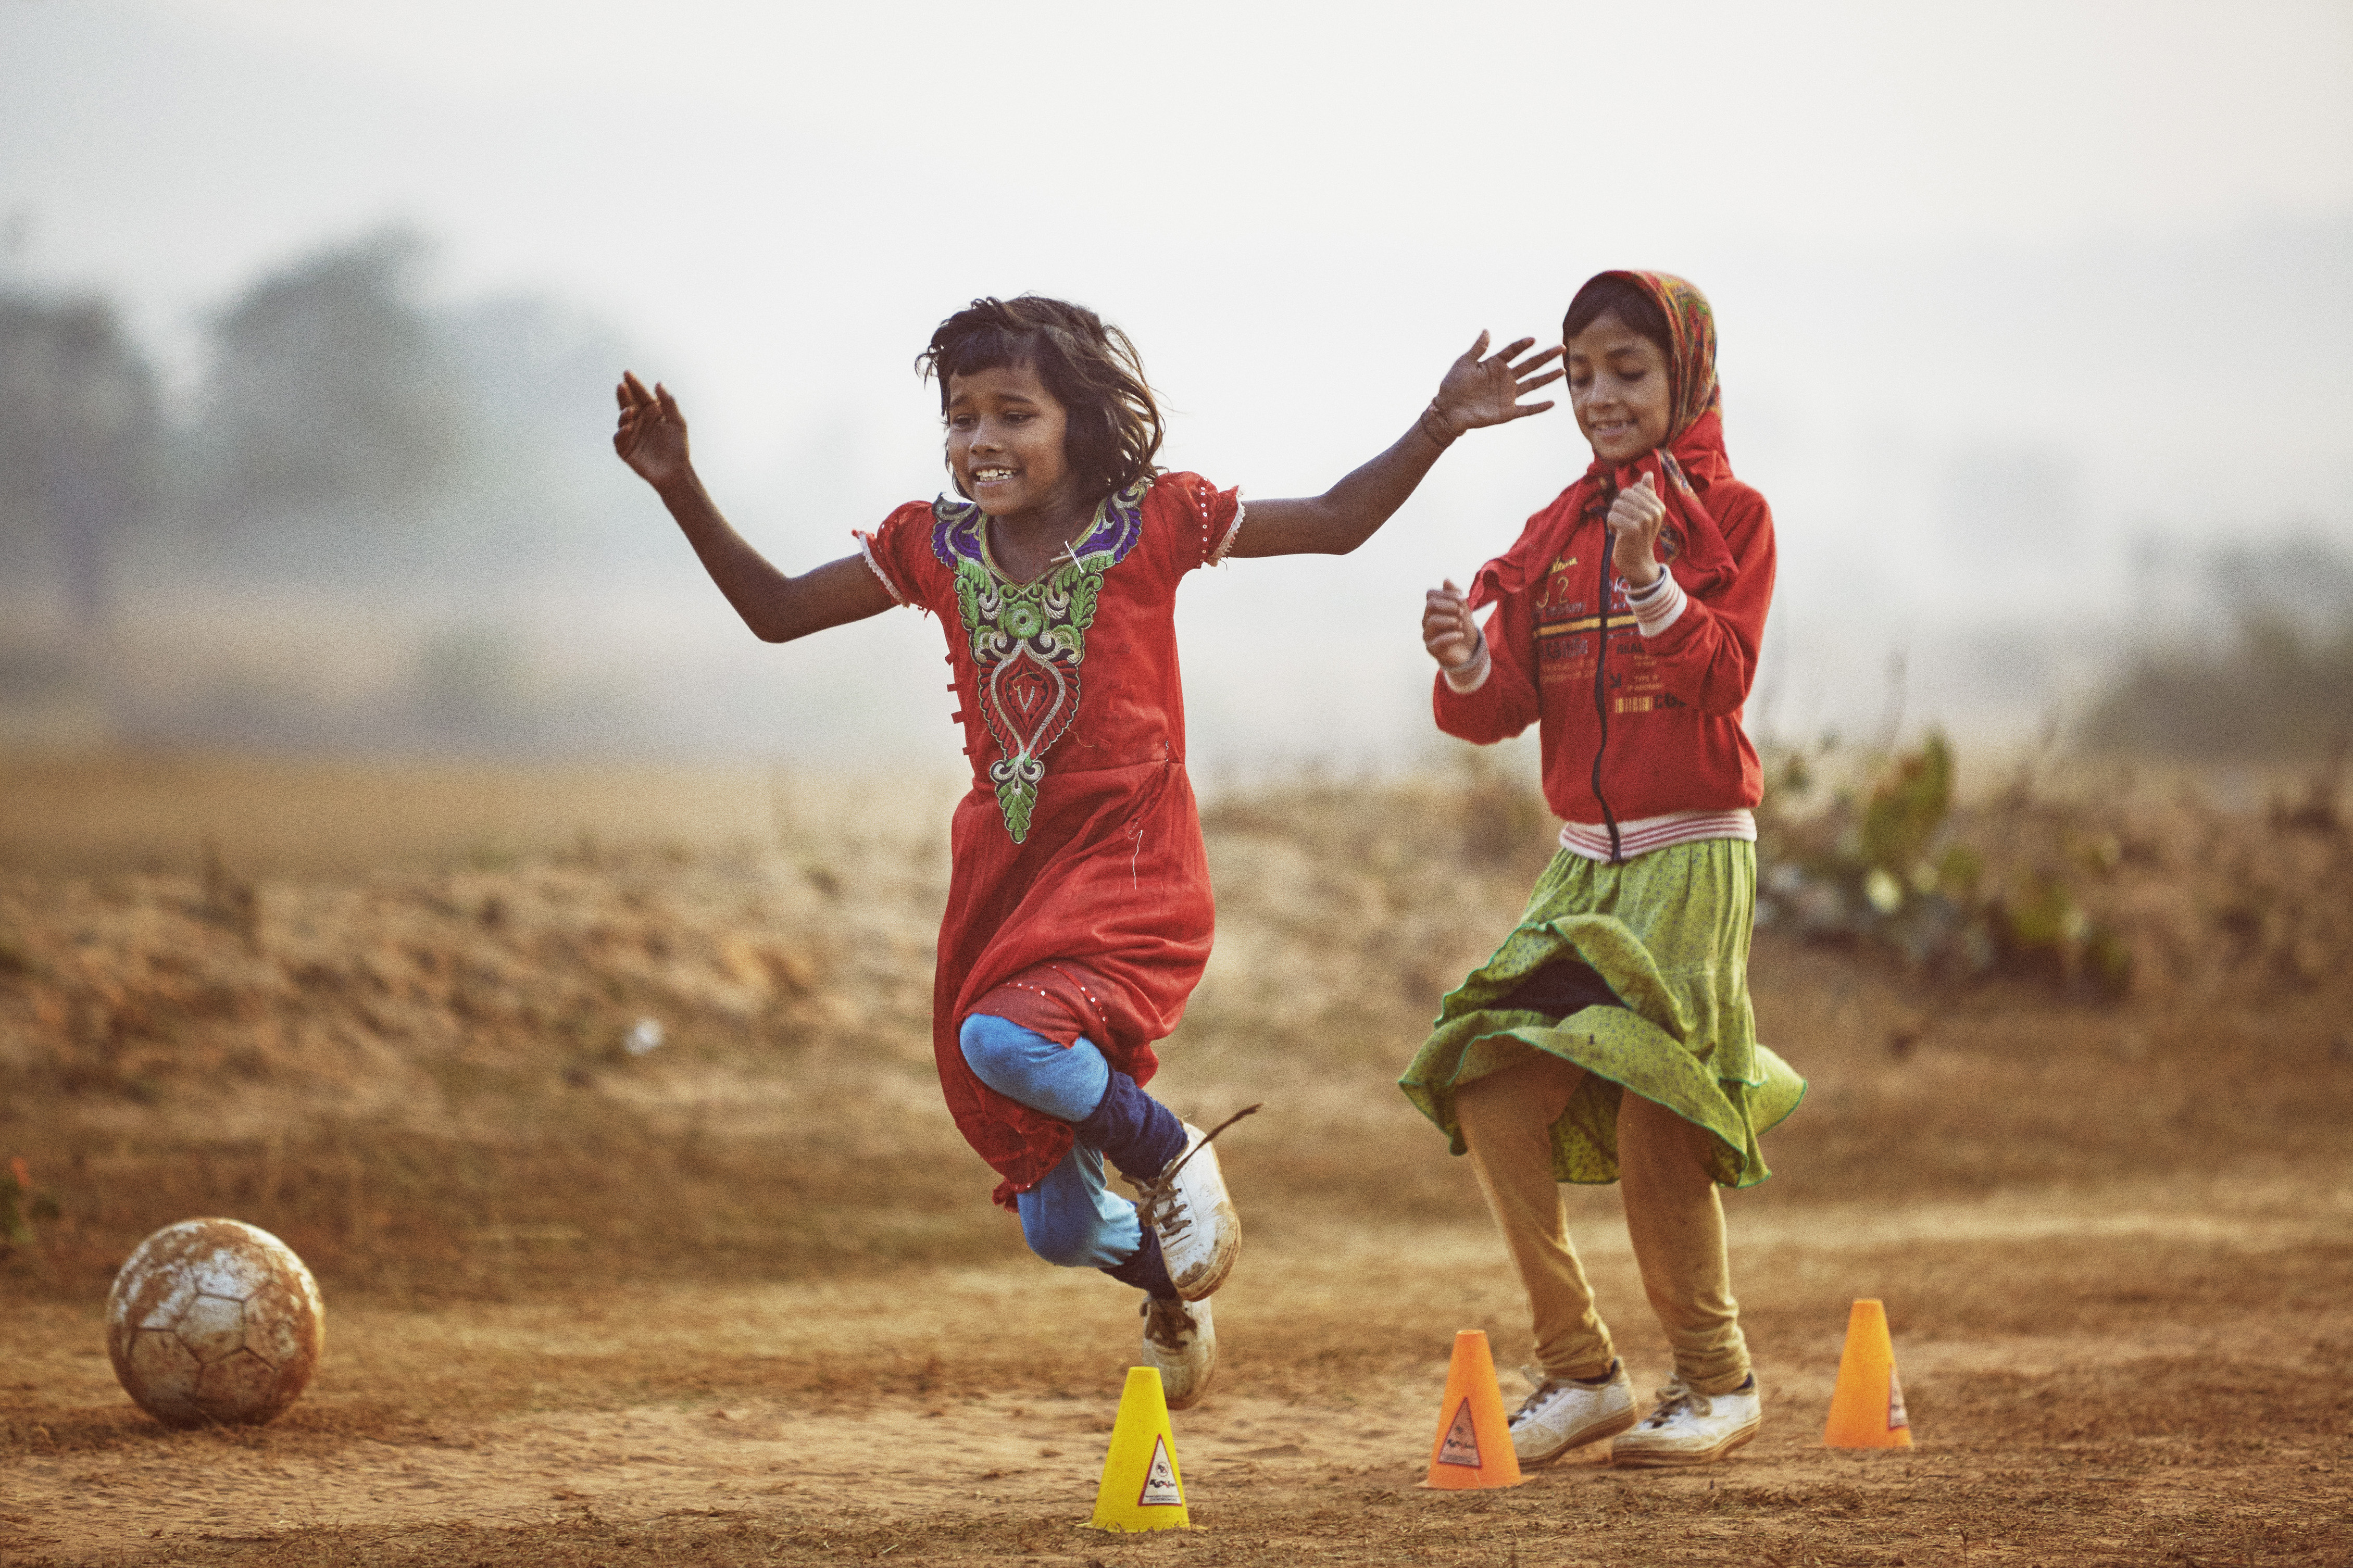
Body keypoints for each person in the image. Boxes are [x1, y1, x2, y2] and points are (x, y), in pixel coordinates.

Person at [612, 295, 1561, 1408]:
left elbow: (1342, 519)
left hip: (1129, 857)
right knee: (1059, 1228)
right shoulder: (933, 544)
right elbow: (774, 611)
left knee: (1000, 1043)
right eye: (962, 418)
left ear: (1081, 423)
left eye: (1015, 414)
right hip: (1007, 875)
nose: (982, 442)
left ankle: (1168, 1152)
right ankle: (1175, 1284)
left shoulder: (1154, 519)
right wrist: (679, 481)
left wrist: (1441, 419)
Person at [1400, 271, 1805, 1466]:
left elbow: (1722, 678)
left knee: (1656, 1109)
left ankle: (1718, 1382)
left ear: (1688, 375)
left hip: (1694, 861)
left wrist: (1653, 580)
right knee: (1484, 1080)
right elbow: (1498, 710)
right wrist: (1471, 655)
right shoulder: (1553, 533)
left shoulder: (1733, 515)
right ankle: (1582, 1372)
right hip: (1583, 870)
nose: (1599, 396)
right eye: (1581, 375)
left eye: (1627, 371)